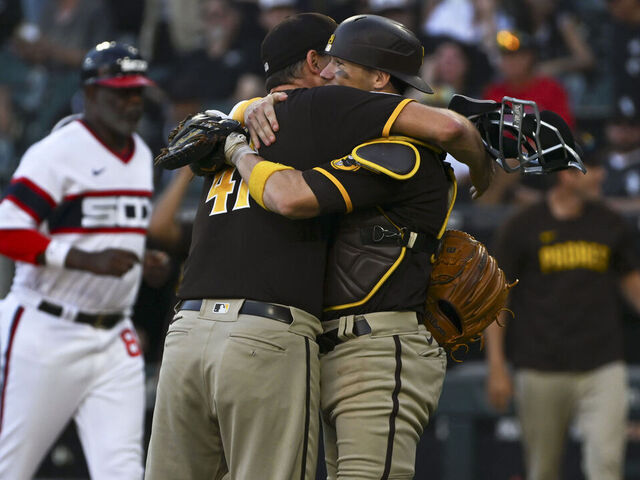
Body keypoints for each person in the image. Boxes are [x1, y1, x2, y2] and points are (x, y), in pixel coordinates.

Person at [145, 12, 493, 480]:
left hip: (194, 332)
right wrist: (483, 160)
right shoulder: (310, 114)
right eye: (328, 62)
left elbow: (442, 131)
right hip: (275, 337)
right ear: (312, 62)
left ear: (379, 77)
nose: (331, 73)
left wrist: (239, 120)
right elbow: (449, 130)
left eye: (341, 64)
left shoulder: (239, 123)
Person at [0, 41, 155, 479]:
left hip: (113, 337)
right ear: (89, 93)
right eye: (120, 92)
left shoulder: (142, 154)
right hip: (45, 330)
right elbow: (7, 230)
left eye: (137, 92)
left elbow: (114, 236)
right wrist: (82, 259)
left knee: (123, 470)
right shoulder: (56, 152)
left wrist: (146, 260)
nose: (131, 102)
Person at [484, 153, 640, 480]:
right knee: (543, 470)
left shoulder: (610, 223)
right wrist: (496, 365)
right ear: (567, 176)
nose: (600, 176)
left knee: (607, 465)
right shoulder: (523, 225)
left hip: (602, 364)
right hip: (541, 365)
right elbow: (499, 300)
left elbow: (632, 283)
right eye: (592, 169)